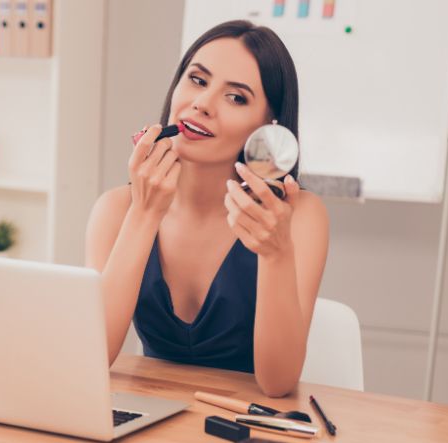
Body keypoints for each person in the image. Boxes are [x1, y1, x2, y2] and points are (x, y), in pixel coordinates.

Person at [84, 20, 329, 397]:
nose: (202, 104)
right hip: (151, 422)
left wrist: (277, 252)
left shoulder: (300, 216)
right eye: (198, 80)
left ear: (268, 125)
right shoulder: (115, 209)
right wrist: (144, 214)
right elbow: (91, 359)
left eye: (236, 97)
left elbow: (278, 383)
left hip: (250, 427)